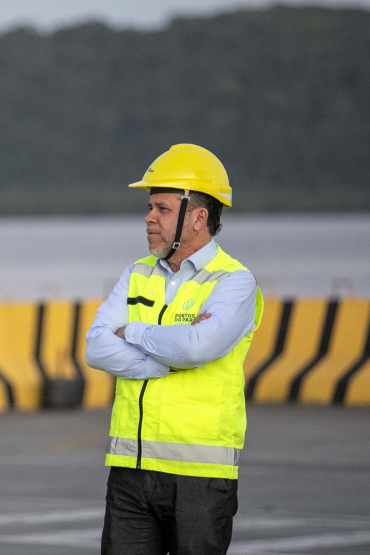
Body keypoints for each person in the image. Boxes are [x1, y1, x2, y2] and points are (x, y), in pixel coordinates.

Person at [86, 144, 264, 555]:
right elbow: (96, 349)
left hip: (199, 476)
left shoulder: (233, 282)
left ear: (198, 216)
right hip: (130, 469)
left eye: (162, 209)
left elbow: (198, 349)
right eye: (150, 208)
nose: (149, 218)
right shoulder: (136, 272)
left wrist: (131, 331)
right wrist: (167, 362)